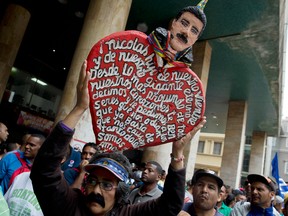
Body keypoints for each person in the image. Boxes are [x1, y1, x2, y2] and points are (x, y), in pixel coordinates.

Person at [30, 60, 207, 216]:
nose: (96, 191)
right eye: (92, 181)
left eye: (107, 185)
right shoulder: (69, 205)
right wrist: (79, 108)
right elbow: (43, 170)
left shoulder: (126, 213)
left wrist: (177, 154)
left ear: (121, 191)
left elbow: (169, 206)